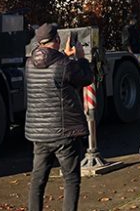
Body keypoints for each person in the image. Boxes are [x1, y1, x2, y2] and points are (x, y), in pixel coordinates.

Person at [25, 23, 94, 211]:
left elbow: (51, 68)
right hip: (64, 133)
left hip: (39, 134)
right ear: (57, 40)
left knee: (37, 180)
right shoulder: (65, 65)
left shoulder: (29, 64)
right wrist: (81, 58)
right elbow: (87, 78)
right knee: (71, 179)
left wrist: (65, 56)